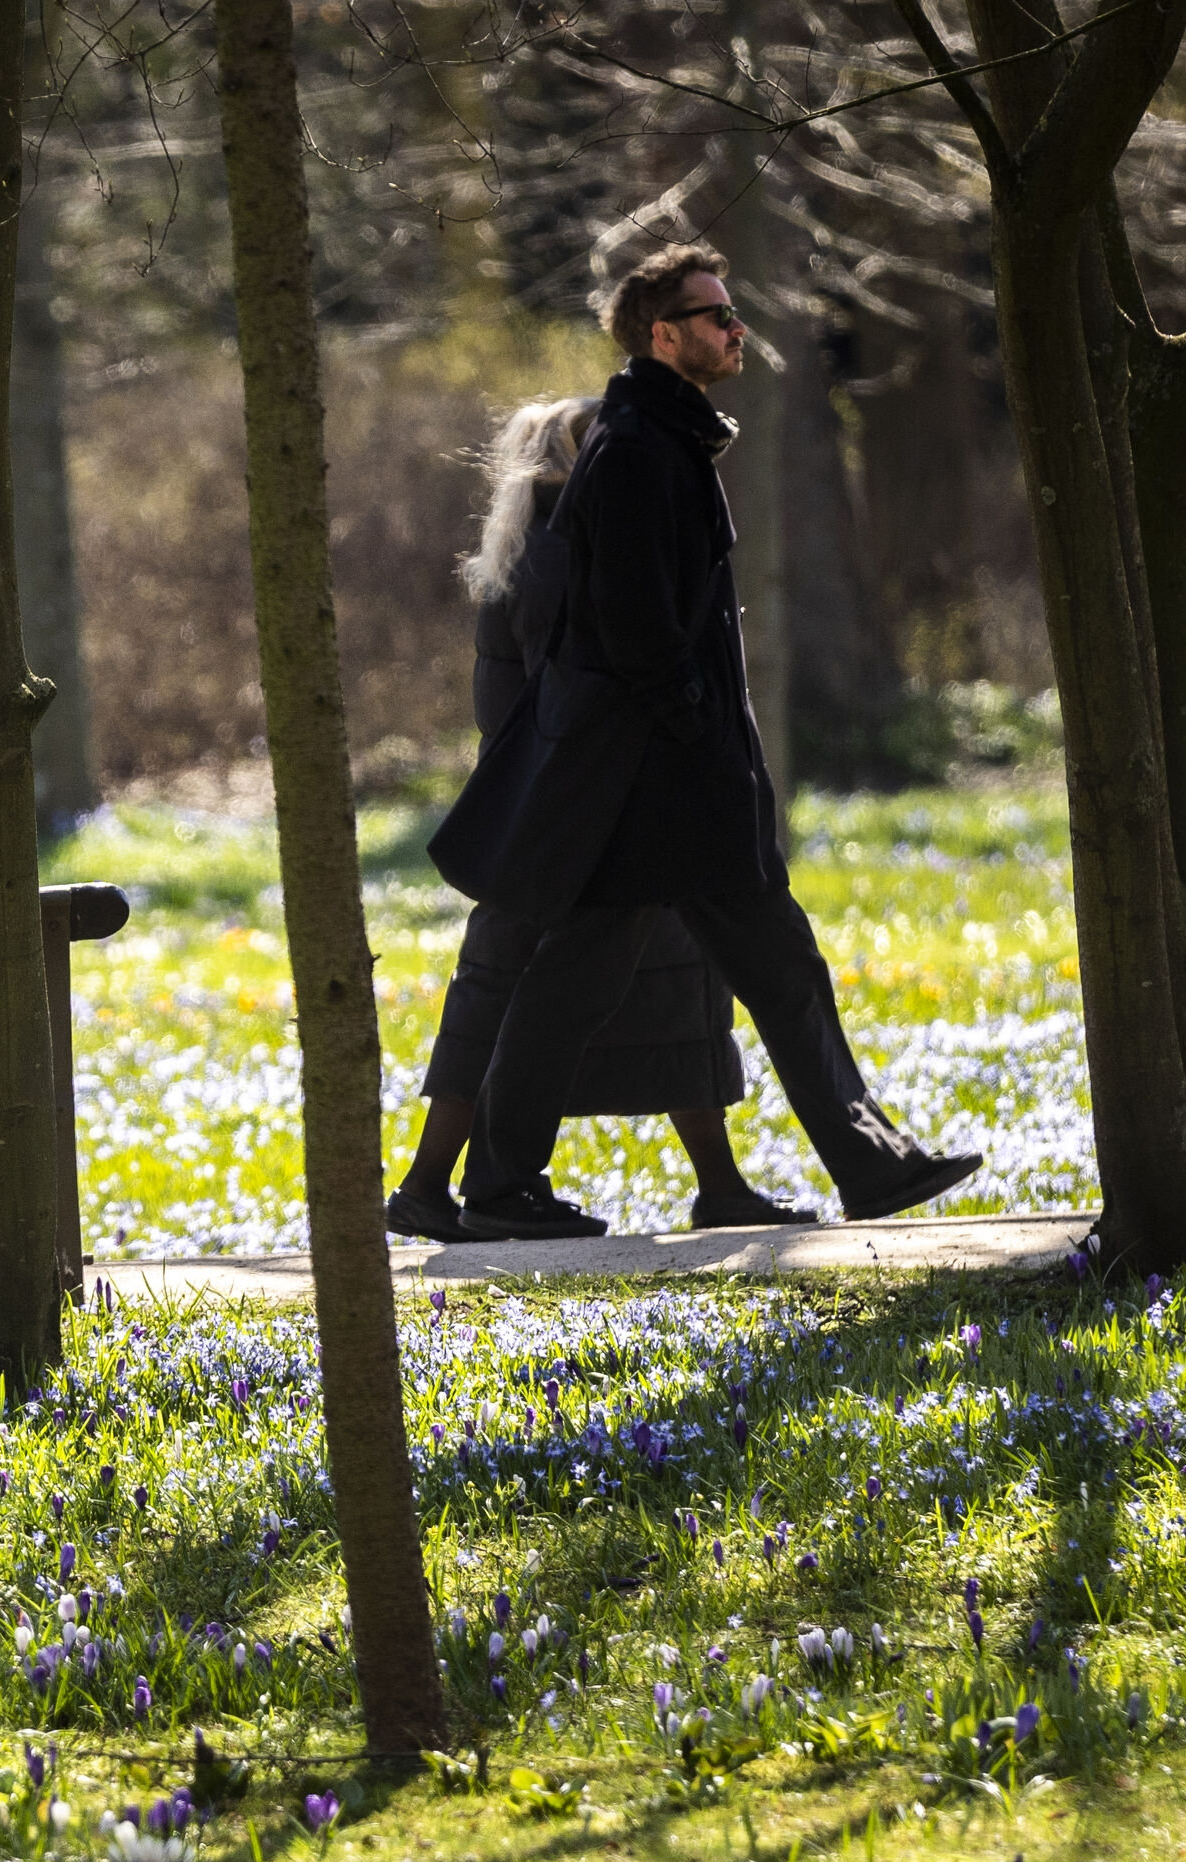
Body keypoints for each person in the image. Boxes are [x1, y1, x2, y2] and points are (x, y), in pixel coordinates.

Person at [429, 241, 978, 1240]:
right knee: (772, 963)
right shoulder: (639, 446)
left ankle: (501, 1185)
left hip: (656, 781)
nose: (734, 330)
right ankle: (866, 1164)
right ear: (662, 334)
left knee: (595, 974)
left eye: (731, 312)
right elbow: (634, 621)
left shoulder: (658, 436)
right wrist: (695, 732)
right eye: (713, 315)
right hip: (671, 783)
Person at [391, 395, 806, 1244]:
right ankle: (454, 1186)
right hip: (594, 803)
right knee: (640, 982)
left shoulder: (524, 545)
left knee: (600, 981)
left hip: (555, 806)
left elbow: (501, 701)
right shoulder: (581, 542)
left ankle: (441, 1185)